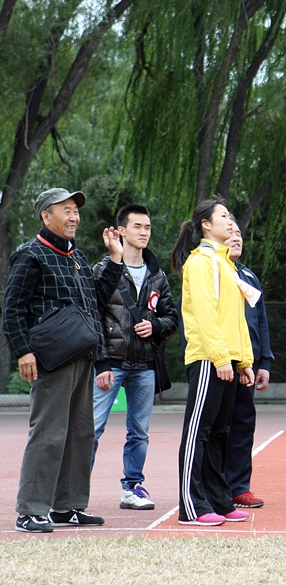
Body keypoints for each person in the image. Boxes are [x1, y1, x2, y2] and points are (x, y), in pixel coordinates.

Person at [4, 188, 122, 532]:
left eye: (75, 211)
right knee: (49, 433)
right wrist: (23, 350)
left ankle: (67, 507)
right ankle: (31, 510)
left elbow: (95, 305)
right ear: (45, 216)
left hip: (83, 355)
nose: (74, 217)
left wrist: (114, 260)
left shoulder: (78, 257)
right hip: (52, 359)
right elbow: (12, 309)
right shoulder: (31, 255)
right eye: (66, 210)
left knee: (81, 434)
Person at [172, 198, 255, 526]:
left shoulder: (226, 264)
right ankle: (190, 506)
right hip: (208, 359)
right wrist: (221, 357)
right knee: (199, 433)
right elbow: (205, 315)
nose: (230, 221)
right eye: (223, 216)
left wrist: (243, 360)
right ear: (206, 224)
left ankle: (219, 500)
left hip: (228, 361)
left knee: (221, 432)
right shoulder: (202, 261)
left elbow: (236, 319)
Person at [91, 204, 179, 511]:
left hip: (145, 366)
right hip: (111, 365)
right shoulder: (105, 269)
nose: (144, 233)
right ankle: (74, 491)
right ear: (122, 231)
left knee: (139, 432)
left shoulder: (157, 276)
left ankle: (132, 488)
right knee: (91, 429)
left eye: (148, 228)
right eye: (138, 227)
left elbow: (172, 320)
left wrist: (153, 326)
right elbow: (94, 317)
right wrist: (100, 362)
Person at [224, 221, 275, 509]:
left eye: (239, 234)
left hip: (248, 365)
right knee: (218, 429)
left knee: (243, 426)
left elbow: (261, 322)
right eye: (229, 232)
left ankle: (240, 488)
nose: (236, 238)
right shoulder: (211, 272)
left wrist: (264, 361)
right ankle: (213, 486)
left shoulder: (248, 277)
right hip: (219, 362)